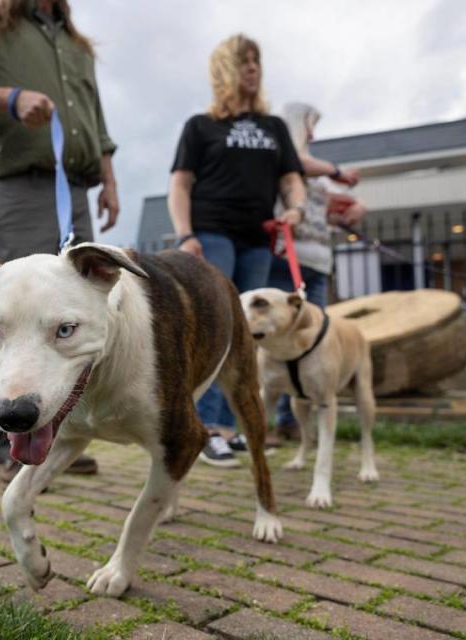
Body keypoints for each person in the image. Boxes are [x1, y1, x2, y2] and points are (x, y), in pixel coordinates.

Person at [0, 0, 118, 482]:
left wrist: (110, 183)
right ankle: (10, 448)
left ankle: (61, 443)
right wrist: (10, 99)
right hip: (23, 187)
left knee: (71, 322)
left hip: (76, 190)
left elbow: (96, 123)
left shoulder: (77, 45)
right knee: (11, 319)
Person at [167, 33, 307, 468]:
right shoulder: (200, 126)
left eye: (257, 61)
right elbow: (180, 184)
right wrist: (184, 234)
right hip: (211, 234)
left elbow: (291, 180)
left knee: (247, 334)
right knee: (216, 329)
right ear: (225, 69)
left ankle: (232, 429)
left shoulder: (274, 128)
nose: (253, 68)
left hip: (256, 238)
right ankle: (204, 429)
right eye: (244, 61)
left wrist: (296, 210)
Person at [268, 102, 367, 438]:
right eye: (309, 124)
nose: (312, 132)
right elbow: (300, 164)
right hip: (286, 261)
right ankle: (271, 417)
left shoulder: (315, 172)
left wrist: (351, 210)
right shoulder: (285, 158)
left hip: (318, 263)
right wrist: (335, 170)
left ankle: (292, 418)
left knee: (311, 340)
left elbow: (326, 206)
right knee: (277, 339)